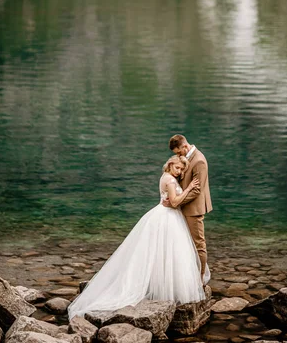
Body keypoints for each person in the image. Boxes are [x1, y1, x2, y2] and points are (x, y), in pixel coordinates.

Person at [67, 156, 206, 320]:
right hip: (168, 217)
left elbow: (172, 202)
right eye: (178, 168)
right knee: (169, 251)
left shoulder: (166, 177)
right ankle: (166, 290)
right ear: (170, 165)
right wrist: (189, 188)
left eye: (182, 169)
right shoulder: (169, 180)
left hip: (168, 216)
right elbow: (175, 203)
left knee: (167, 252)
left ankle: (165, 288)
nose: (180, 172)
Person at [166, 134, 212, 281]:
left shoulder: (199, 161)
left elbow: (197, 190)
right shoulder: (187, 159)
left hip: (194, 209)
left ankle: (200, 279)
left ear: (184, 146)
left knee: (198, 244)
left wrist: (177, 202)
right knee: (186, 243)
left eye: (179, 152)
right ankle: (188, 275)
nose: (178, 156)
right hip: (184, 206)